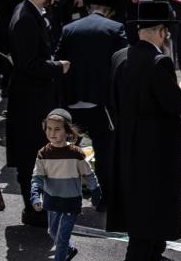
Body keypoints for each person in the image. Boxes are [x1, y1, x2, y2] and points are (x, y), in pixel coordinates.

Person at [108, 1, 181, 261]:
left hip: (126, 142)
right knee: (153, 205)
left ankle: (149, 250)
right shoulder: (159, 62)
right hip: (155, 148)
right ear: (161, 31)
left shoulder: (119, 56)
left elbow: (111, 100)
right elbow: (177, 104)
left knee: (136, 204)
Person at [7, 0, 72, 227]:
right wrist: (59, 67)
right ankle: (33, 211)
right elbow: (28, 63)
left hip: (35, 97)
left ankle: (36, 208)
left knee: (35, 155)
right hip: (30, 100)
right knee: (30, 156)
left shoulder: (31, 12)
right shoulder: (25, 17)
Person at [56, 0, 127, 209]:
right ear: (107, 10)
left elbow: (58, 62)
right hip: (101, 102)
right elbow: (123, 65)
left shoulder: (69, 29)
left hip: (72, 100)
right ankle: (105, 199)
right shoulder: (115, 29)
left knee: (66, 150)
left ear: (89, 8)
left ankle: (63, 196)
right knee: (104, 152)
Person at [30, 108, 102, 261]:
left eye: (57, 129)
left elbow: (88, 174)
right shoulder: (43, 153)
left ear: (67, 131)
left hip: (71, 202)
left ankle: (62, 253)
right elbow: (37, 177)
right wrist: (36, 196)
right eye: (49, 129)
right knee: (53, 232)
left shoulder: (76, 153)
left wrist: (95, 191)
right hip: (52, 200)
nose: (52, 133)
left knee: (61, 239)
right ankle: (70, 249)